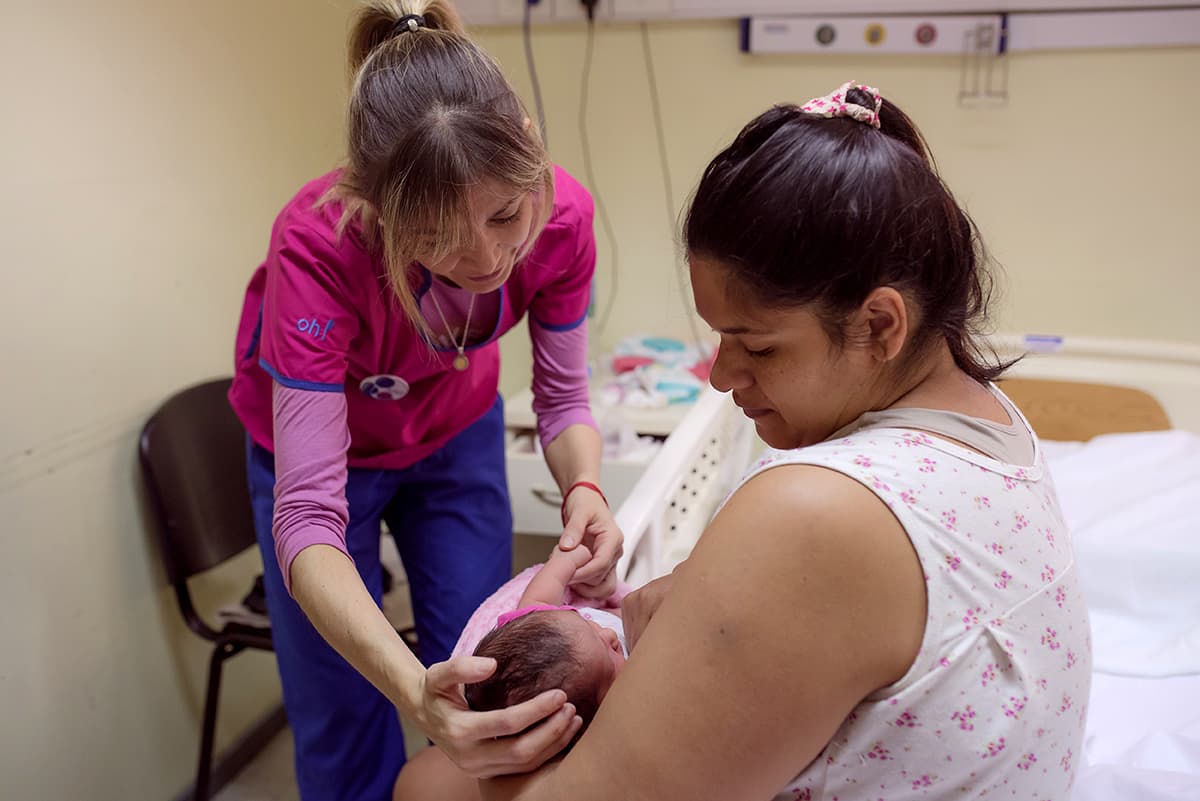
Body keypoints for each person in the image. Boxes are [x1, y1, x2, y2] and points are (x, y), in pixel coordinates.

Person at [393, 81, 1092, 801]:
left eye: (755, 346)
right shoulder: (990, 419)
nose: (723, 375)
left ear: (882, 326)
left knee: (423, 784)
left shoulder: (818, 511)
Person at [226, 1, 625, 798]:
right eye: (436, 236)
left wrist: (585, 485)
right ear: (376, 206)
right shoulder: (319, 245)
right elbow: (307, 517)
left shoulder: (565, 219)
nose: (485, 258)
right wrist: (412, 692)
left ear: (532, 146)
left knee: (489, 662)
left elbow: (562, 396)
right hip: (319, 460)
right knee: (344, 702)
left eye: (506, 213)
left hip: (454, 430)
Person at [463, 544, 628, 738]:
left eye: (589, 624)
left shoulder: (551, 623)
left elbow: (543, 593)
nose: (610, 635)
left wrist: (567, 562)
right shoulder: (629, 690)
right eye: (610, 653)